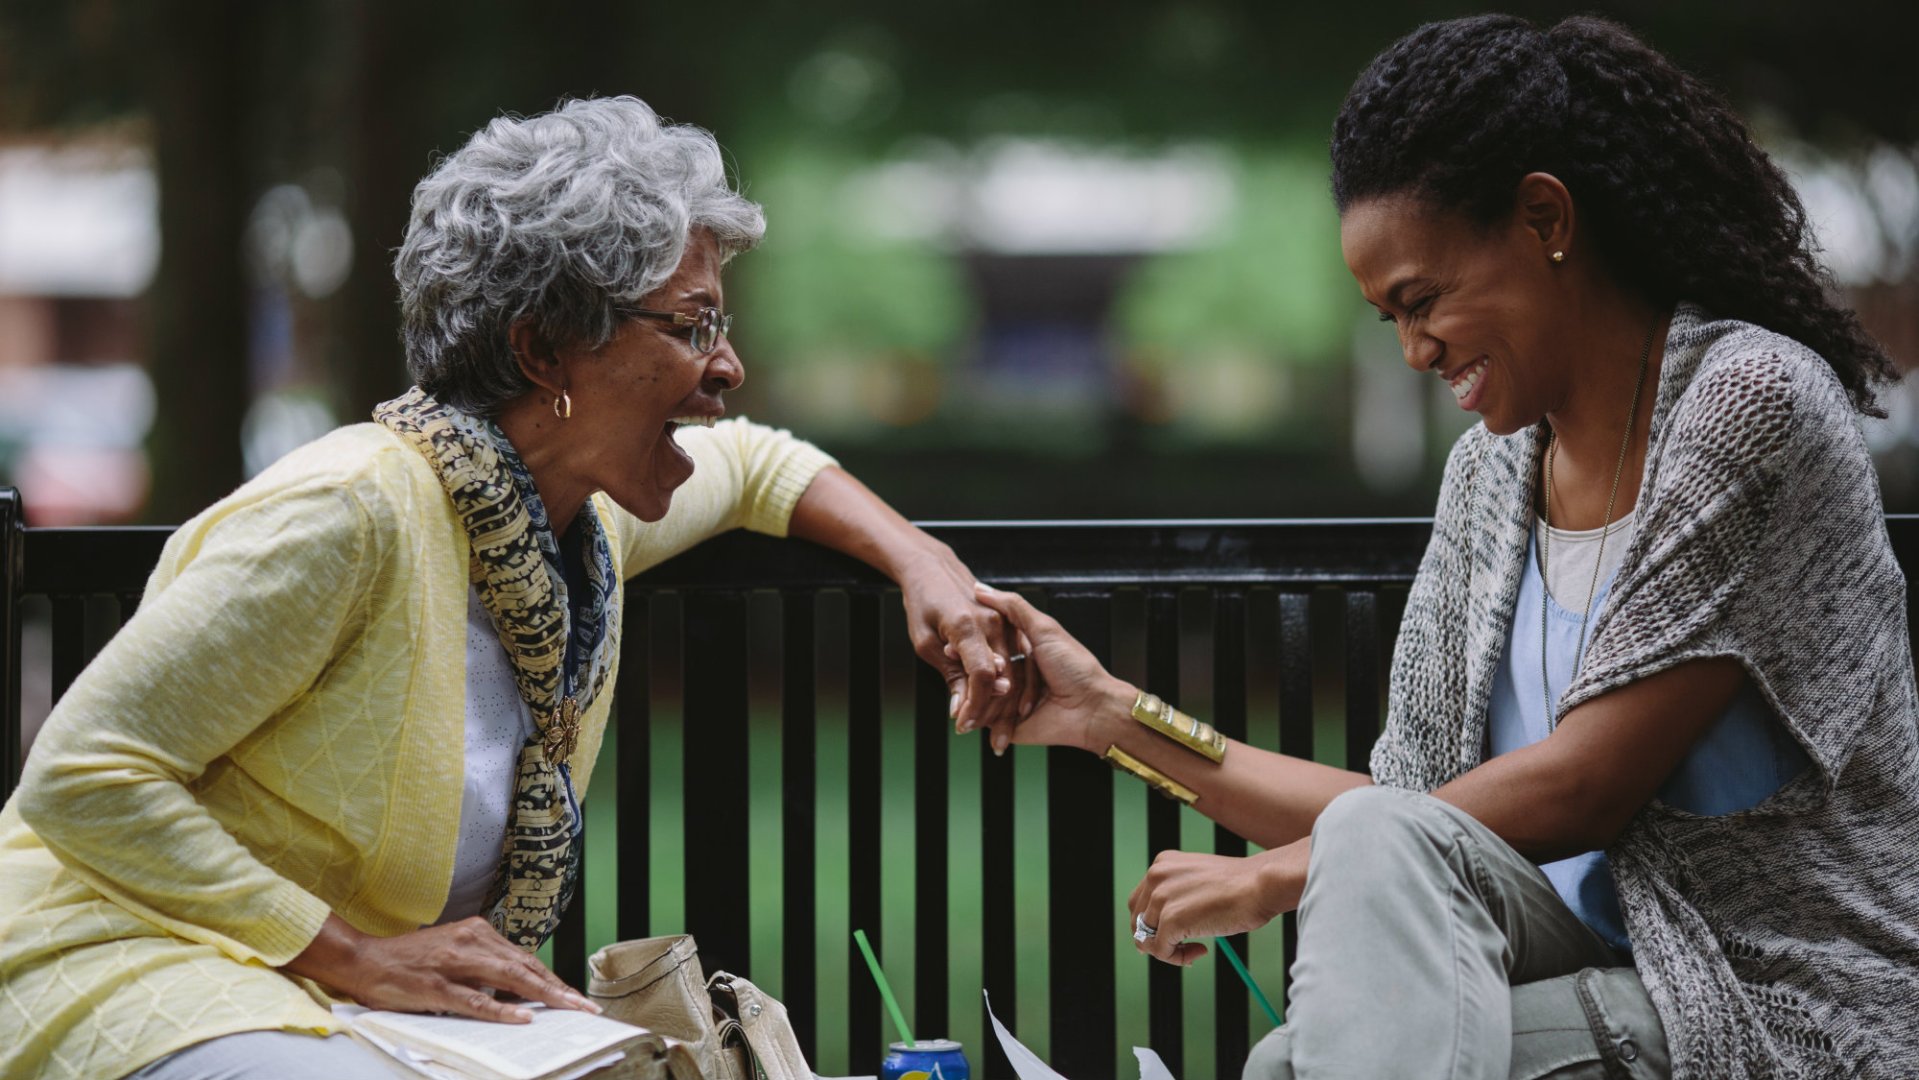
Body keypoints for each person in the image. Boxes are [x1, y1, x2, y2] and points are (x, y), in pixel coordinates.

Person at [972, 14, 1919, 1079]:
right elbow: (1403, 813)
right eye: (1387, 320)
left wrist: (1267, 880)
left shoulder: (1744, 403)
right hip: (1563, 960)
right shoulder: (1486, 478)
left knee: (1292, 1062)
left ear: (1542, 218)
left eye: (1421, 301)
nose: (1416, 349)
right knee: (1358, 899)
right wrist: (1111, 718)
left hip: (1774, 1003)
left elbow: (1580, 788)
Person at [0, 96, 1022, 1080]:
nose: (729, 366)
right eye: (689, 324)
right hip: (134, 966)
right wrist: (356, 957)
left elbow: (757, 465)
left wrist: (924, 565)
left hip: (347, 1003)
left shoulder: (575, 518)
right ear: (541, 349)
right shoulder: (350, 510)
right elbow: (84, 777)